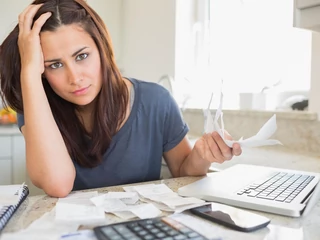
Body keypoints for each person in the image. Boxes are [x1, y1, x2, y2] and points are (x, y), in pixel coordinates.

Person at [0, 0, 242, 198]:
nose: (75, 77)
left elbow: (182, 173)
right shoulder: (38, 107)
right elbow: (58, 184)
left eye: (82, 56)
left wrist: (200, 155)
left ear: (102, 48)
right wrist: (28, 71)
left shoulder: (156, 101)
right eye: (54, 65)